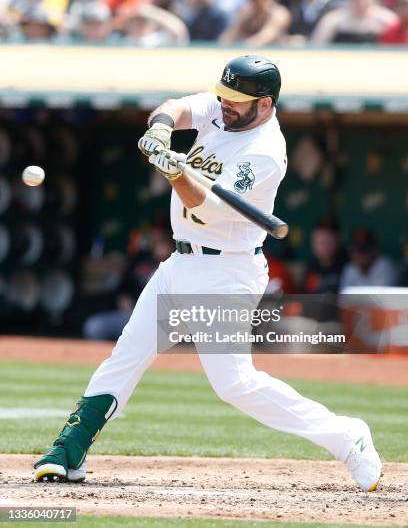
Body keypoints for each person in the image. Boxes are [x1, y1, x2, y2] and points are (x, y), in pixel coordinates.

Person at [33, 55, 381, 494]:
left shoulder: (264, 153)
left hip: (226, 269)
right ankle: (68, 451)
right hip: (180, 263)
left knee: (235, 384)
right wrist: (160, 130)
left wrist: (174, 170)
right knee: (128, 353)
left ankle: (348, 437)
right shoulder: (224, 108)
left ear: (266, 104)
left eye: (237, 101)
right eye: (224, 96)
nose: (225, 105)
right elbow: (177, 106)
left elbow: (206, 210)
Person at [304, 217, 347, 294]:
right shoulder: (311, 267)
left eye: (328, 242)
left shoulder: (347, 265)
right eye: (319, 243)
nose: (323, 247)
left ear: (338, 241)